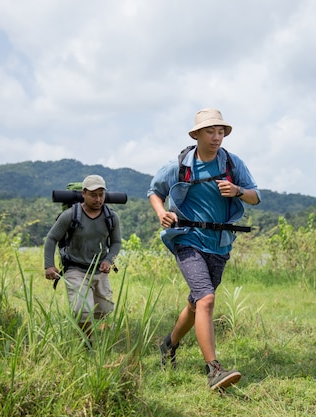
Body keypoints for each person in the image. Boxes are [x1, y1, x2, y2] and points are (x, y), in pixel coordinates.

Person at [148, 108, 260, 390]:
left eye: (220, 131)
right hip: (187, 238)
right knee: (207, 300)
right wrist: (162, 212)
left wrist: (237, 191)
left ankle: (169, 344)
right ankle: (214, 370)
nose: (217, 136)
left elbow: (256, 197)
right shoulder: (180, 165)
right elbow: (154, 191)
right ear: (196, 134)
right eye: (210, 131)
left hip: (220, 244)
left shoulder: (232, 164)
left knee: (197, 302)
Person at [44, 174, 122, 346]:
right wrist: (49, 265)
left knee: (105, 310)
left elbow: (116, 243)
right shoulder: (70, 216)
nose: (98, 199)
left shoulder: (111, 217)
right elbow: (51, 238)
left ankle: (94, 332)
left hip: (99, 270)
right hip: (75, 269)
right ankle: (87, 342)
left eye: (101, 194)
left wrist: (109, 260)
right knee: (82, 310)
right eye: (93, 195)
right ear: (84, 193)